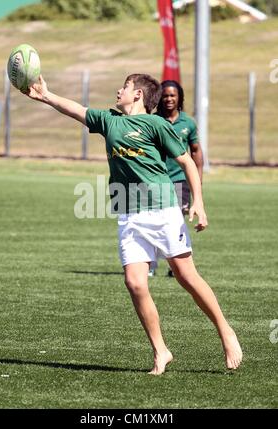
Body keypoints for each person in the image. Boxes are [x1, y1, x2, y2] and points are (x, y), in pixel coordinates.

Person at [23, 73, 243, 375]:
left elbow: (187, 162)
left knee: (186, 277)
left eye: (124, 86)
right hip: (129, 214)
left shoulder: (156, 125)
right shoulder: (109, 120)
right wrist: (47, 96)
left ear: (137, 94)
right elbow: (76, 109)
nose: (118, 90)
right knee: (135, 283)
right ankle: (161, 351)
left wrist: (199, 203)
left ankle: (225, 331)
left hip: (164, 210)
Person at [149, 80, 204, 277]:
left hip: (180, 180)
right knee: (154, 221)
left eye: (173, 95)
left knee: (176, 221)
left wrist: (198, 183)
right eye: (165, 95)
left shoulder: (187, 123)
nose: (169, 99)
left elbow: (196, 153)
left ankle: (177, 265)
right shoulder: (152, 121)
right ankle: (150, 265)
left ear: (179, 97)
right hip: (157, 180)